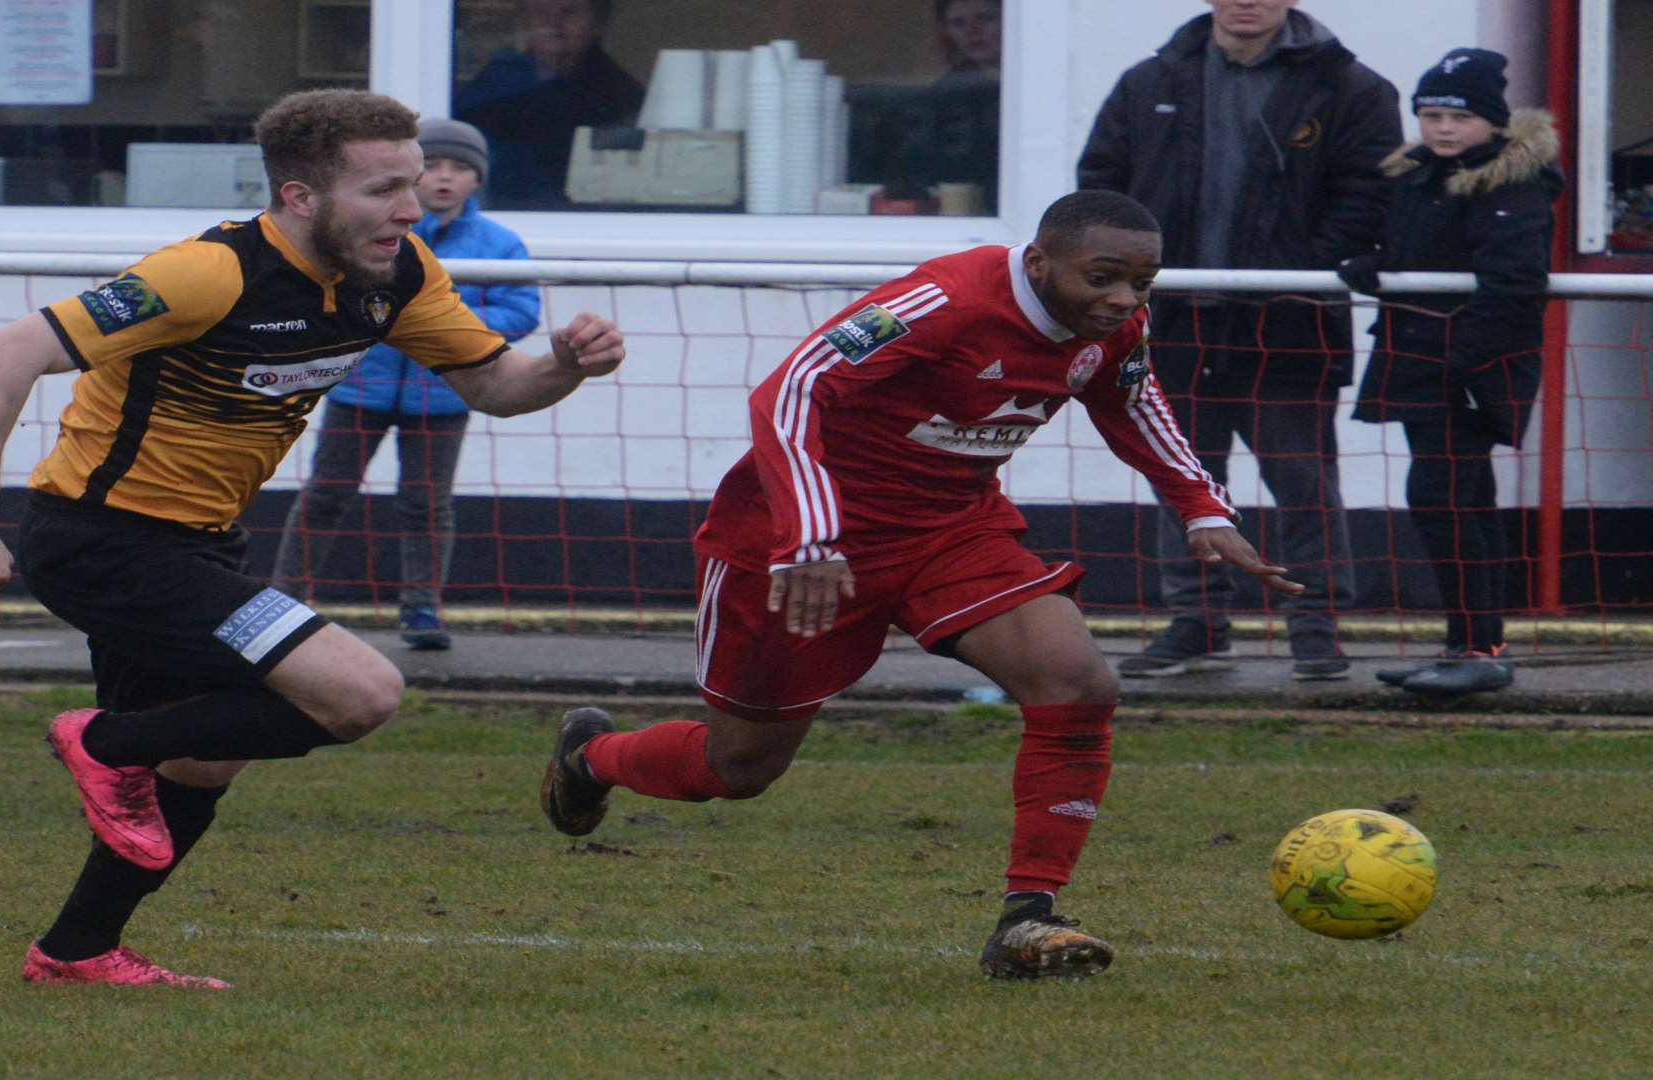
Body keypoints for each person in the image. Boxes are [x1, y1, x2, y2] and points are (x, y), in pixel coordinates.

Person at [0, 89, 624, 988]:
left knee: (205, 755)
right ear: (300, 197)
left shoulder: (396, 273)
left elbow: (497, 386)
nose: (412, 209)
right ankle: (102, 743)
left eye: (413, 185)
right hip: (103, 541)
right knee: (360, 693)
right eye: (382, 190)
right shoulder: (205, 274)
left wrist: (564, 367)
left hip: (201, 546)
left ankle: (75, 952)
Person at [538, 190, 1303, 981]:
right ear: (1039, 262)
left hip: (951, 531)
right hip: (797, 543)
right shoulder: (943, 300)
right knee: (740, 768)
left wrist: (1202, 508)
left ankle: (1029, 917)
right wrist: (810, 535)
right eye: (1104, 278)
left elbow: (1133, 400)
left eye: (1142, 283)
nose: (1122, 300)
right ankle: (593, 757)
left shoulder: (1112, 328)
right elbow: (792, 389)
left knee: (1078, 684)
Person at [1077, 0, 1402, 680]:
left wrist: (1305, 269)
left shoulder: (1353, 88)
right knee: (1182, 477)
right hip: (1174, 322)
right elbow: (1100, 186)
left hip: (1291, 323)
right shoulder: (1150, 82)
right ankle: (1196, 622)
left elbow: (1369, 196)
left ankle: (1318, 628)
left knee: (1304, 483)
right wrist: (1125, 276)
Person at [271, 119, 540, 650]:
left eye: (460, 168)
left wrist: (438, 319)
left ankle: (421, 609)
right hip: (359, 389)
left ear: (477, 180)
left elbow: (521, 310)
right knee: (326, 494)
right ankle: (284, 600)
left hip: (445, 394)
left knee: (426, 503)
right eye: (433, 166)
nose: (444, 178)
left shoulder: (500, 245)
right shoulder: (365, 234)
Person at [1340, 49, 1559, 695]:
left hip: (1466, 370)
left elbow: (1513, 281)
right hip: (1422, 361)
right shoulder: (1413, 178)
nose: (1441, 128)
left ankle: (1478, 645)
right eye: (1430, 114)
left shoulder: (1512, 185)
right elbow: (1403, 245)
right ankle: (1469, 643)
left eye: (1456, 117)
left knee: (1450, 503)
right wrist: (1370, 260)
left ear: (1492, 121)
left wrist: (1465, 360)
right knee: (1455, 503)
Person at [454, 0, 645, 210]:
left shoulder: (617, 91)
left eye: (569, 12)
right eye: (540, 12)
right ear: (524, 22)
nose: (553, 22)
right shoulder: (499, 77)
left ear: (597, 25)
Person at [904, 0, 1002, 214]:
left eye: (985, 18)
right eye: (959, 23)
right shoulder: (944, 97)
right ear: (946, 31)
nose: (972, 31)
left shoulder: (1029, 93)